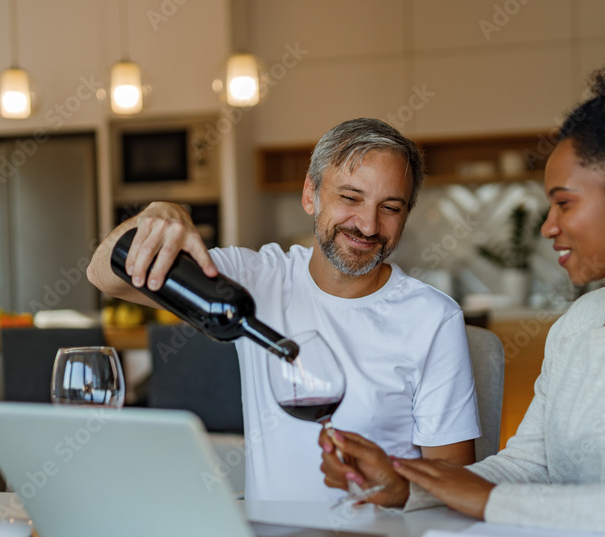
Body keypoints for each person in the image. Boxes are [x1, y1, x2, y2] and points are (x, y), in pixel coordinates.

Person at [320, 49, 605, 537]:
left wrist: (492, 503)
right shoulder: (580, 323)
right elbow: (529, 465)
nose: (549, 226)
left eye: (564, 203)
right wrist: (409, 485)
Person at [87, 117, 479, 501]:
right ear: (311, 194)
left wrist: (392, 487)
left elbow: (455, 477)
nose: (368, 225)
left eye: (390, 207)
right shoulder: (255, 279)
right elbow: (105, 276)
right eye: (350, 197)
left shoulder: (432, 318)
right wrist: (157, 212)